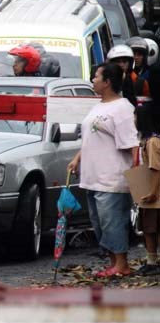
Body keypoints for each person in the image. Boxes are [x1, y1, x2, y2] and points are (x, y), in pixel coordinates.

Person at [67, 63, 139, 278]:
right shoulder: (98, 106)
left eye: (96, 77)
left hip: (112, 177)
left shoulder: (122, 108)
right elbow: (91, 138)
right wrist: (77, 158)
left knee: (113, 221)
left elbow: (132, 143)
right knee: (99, 224)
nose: (93, 80)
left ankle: (122, 264)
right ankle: (112, 263)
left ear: (107, 82)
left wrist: (137, 176)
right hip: (92, 176)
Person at [135, 101, 160, 275]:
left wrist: (152, 193)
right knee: (148, 228)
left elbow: (156, 169)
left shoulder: (152, 142)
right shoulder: (145, 140)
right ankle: (151, 260)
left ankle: (153, 262)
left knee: (153, 228)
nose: (133, 119)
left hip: (155, 194)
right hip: (148, 190)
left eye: (135, 116)